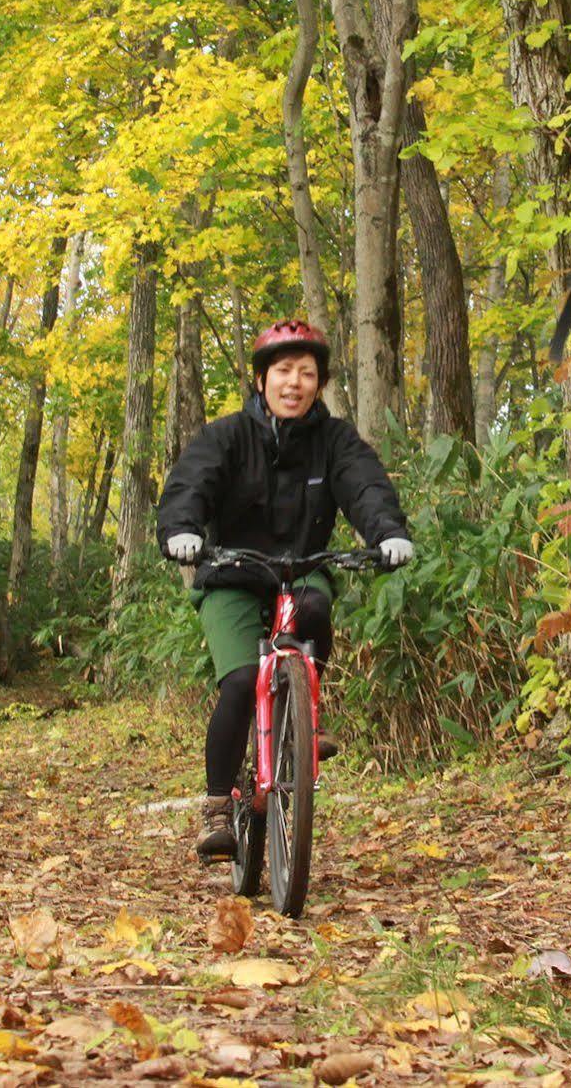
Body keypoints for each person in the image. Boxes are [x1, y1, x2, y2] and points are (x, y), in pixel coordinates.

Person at [157, 319, 416, 861]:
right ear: (261, 380)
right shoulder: (227, 436)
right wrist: (182, 529)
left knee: (316, 606)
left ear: (318, 384)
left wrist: (388, 533)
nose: (293, 383)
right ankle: (215, 808)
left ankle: (301, 720)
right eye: (282, 371)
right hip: (231, 573)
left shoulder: (335, 440)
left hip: (302, 567)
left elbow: (365, 485)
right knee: (241, 681)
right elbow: (193, 482)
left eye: (306, 373)